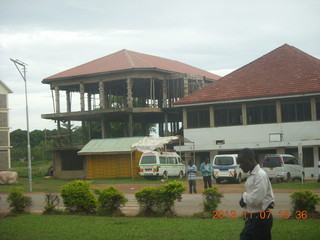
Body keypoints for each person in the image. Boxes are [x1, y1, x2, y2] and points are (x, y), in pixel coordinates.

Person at [237, 148, 275, 240]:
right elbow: (253, 197)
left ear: (250, 159)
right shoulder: (252, 175)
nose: (240, 166)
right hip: (254, 217)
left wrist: (244, 197)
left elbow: (256, 200)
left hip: (260, 218)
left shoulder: (260, 176)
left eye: (241, 162)